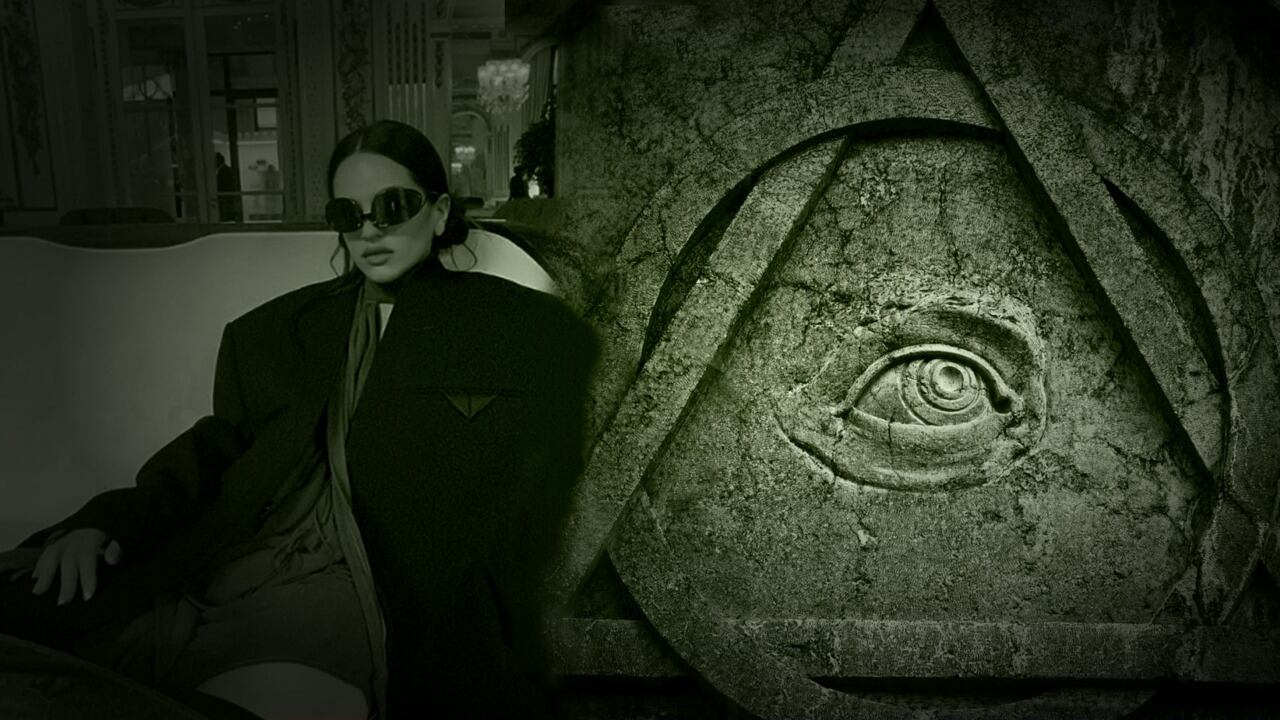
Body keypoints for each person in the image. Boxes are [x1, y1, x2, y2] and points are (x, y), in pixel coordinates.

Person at [0, 120, 598, 719]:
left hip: (364, 584)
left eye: (393, 206)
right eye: (349, 214)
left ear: (439, 212)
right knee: (41, 620)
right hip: (239, 556)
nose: (370, 230)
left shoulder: (516, 327)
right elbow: (216, 449)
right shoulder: (276, 332)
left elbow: (536, 479)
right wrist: (107, 522)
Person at [215, 152, 244, 222]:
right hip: (228, 201)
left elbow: (224, 187)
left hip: (226, 201)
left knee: (227, 219)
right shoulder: (226, 170)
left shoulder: (224, 172)